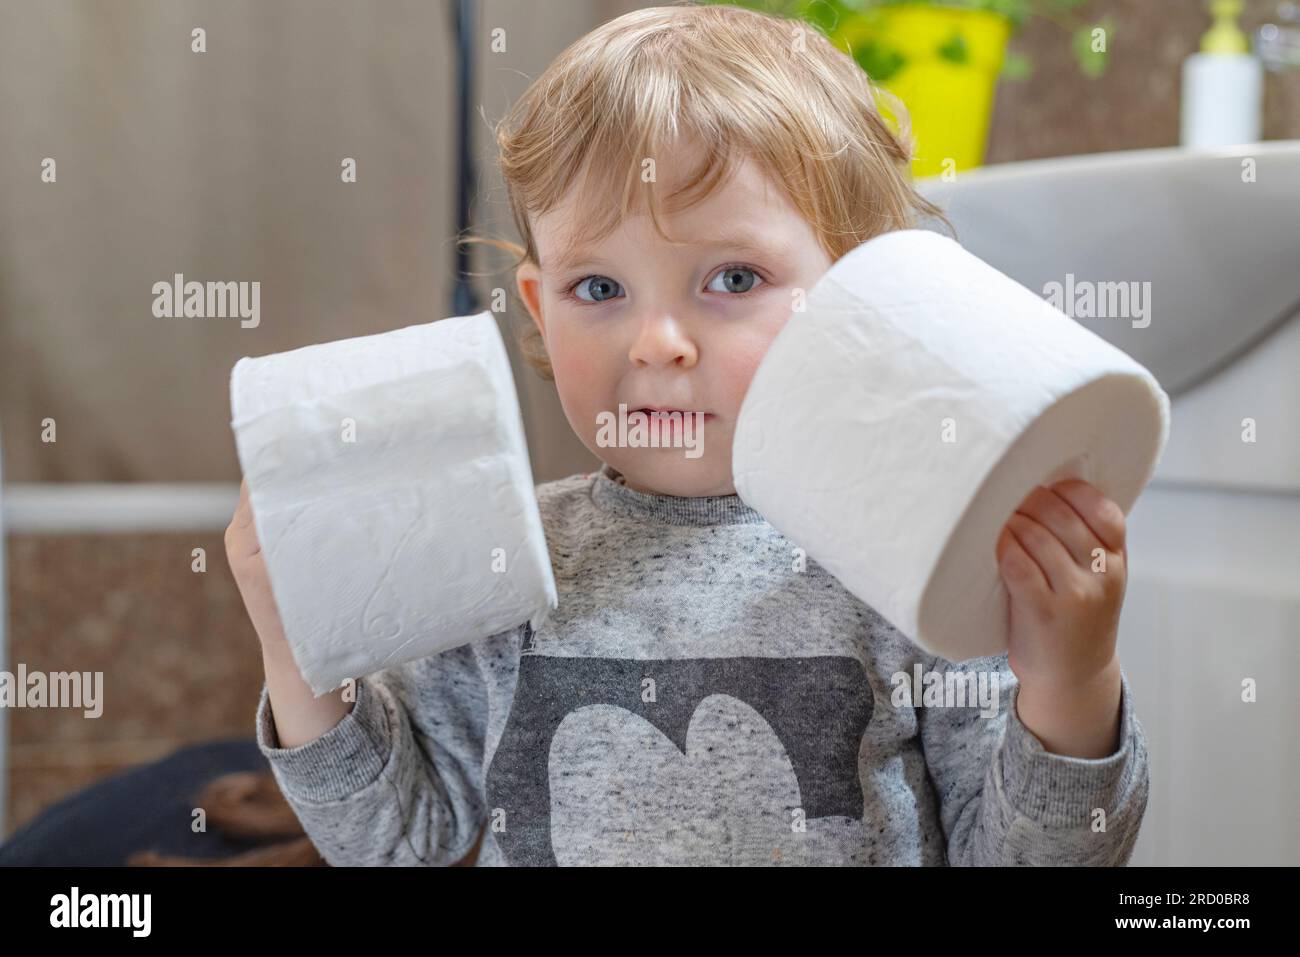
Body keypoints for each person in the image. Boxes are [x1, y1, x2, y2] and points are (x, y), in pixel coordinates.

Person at [224, 1, 1148, 866]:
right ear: (542, 313)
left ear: (866, 297)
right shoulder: (506, 562)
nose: (658, 341)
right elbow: (397, 839)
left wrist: (1073, 679)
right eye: (600, 289)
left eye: (733, 278)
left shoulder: (912, 557)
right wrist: (298, 643)